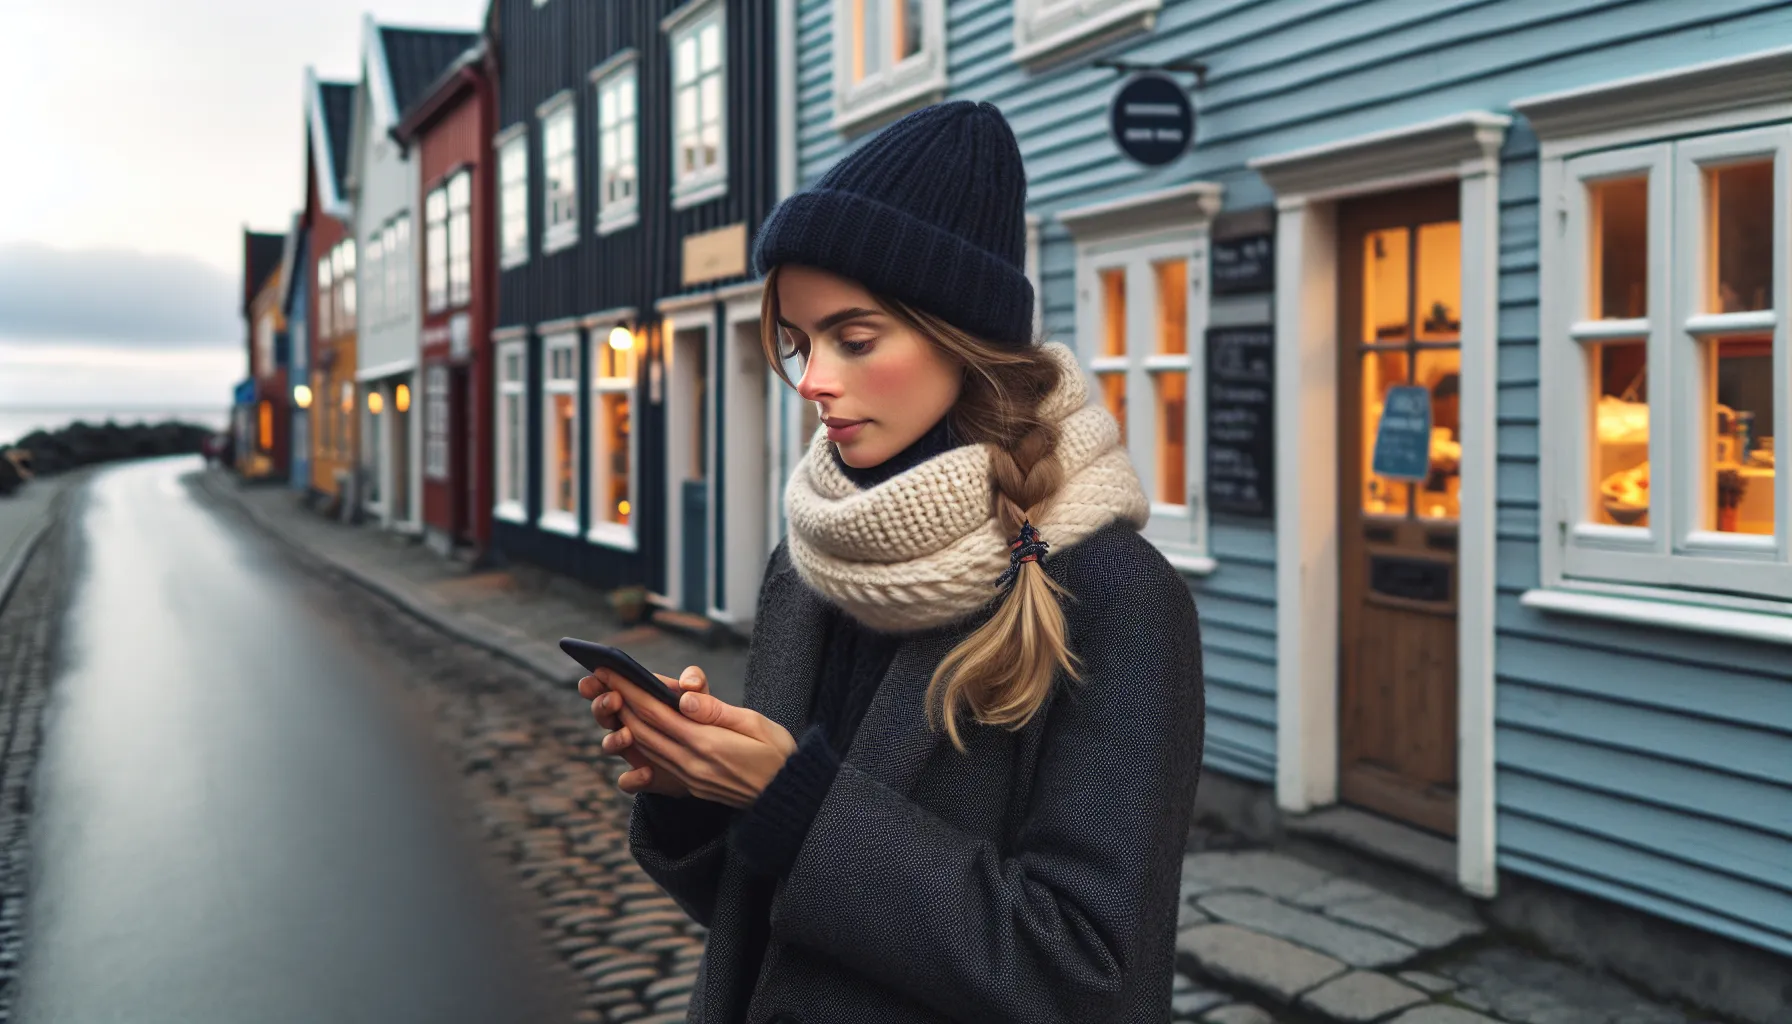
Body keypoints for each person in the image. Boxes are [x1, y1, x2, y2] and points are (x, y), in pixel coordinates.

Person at [577, 100, 1205, 1024]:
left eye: (855, 339)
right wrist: (697, 796)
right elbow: (761, 926)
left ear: (960, 336)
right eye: (798, 344)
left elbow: (1088, 974)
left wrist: (795, 800)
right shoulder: (808, 567)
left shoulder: (1114, 595)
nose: (817, 380)